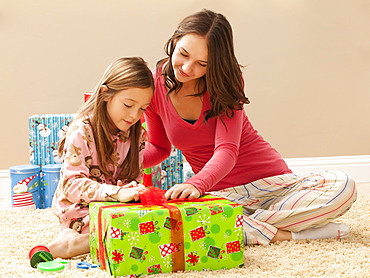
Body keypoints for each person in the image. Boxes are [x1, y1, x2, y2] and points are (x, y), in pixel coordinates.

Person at [143, 9, 357, 245]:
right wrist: (117, 159)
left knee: (343, 185)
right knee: (185, 223)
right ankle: (291, 233)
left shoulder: (226, 82)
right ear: (174, 42)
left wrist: (195, 184)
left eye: (202, 63)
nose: (186, 67)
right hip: (221, 194)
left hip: (270, 184)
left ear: (214, 65)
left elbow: (226, 150)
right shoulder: (154, 86)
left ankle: (243, 224)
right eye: (183, 54)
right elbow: (159, 147)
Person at [29, 57, 154, 266]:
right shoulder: (82, 130)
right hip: (80, 211)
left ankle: (85, 241)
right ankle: (71, 242)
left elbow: (133, 180)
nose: (135, 115)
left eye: (143, 109)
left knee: (152, 223)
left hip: (113, 207)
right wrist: (116, 193)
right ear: (106, 94)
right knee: (129, 233)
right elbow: (72, 185)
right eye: (128, 105)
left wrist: (131, 190)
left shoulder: (138, 135)